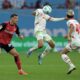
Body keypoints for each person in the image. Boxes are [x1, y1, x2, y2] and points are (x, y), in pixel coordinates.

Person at [60, 10, 80, 74]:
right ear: (73, 15)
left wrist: (68, 36)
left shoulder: (69, 21)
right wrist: (67, 35)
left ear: (67, 16)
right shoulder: (77, 22)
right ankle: (71, 66)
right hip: (78, 40)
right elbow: (75, 30)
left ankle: (71, 65)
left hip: (74, 41)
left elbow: (72, 27)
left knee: (62, 53)